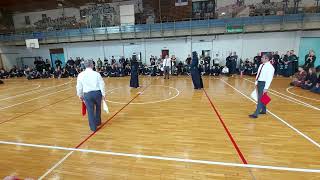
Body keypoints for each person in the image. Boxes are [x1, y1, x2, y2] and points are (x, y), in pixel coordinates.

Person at [76, 59, 106, 132]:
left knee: (90, 111)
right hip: (97, 94)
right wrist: (103, 94)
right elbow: (102, 84)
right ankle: (98, 122)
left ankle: (93, 127)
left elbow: (79, 86)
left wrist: (79, 95)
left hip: (87, 95)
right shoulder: (96, 74)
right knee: (98, 108)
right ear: (92, 65)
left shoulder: (80, 75)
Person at [249, 53, 275, 119]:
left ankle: (256, 114)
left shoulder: (270, 67)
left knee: (260, 99)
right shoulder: (261, 65)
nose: (261, 58)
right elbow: (258, 74)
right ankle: (263, 110)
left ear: (267, 59)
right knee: (263, 97)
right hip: (259, 82)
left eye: (263, 57)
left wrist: (266, 88)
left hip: (264, 83)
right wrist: (256, 81)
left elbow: (269, 78)